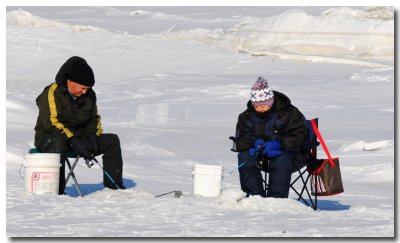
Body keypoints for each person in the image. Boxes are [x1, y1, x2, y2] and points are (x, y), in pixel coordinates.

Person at [34, 56, 126, 194]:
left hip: (78, 140)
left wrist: (93, 137)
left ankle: (114, 189)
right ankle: (57, 193)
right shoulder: (53, 91)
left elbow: (95, 119)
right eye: (83, 88)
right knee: (58, 142)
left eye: (87, 89)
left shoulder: (89, 95)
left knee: (112, 141)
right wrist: (72, 140)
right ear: (71, 81)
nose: (85, 92)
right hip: (50, 139)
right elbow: (51, 122)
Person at [233, 77, 307, 198]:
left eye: (263, 105)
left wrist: (280, 144)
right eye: (256, 106)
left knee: (280, 160)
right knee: (244, 156)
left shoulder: (290, 113)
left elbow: (301, 136)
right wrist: (253, 143)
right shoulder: (246, 116)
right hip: (260, 155)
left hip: (291, 155)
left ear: (270, 101)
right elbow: (240, 138)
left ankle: (276, 199)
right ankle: (254, 197)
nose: (259, 109)